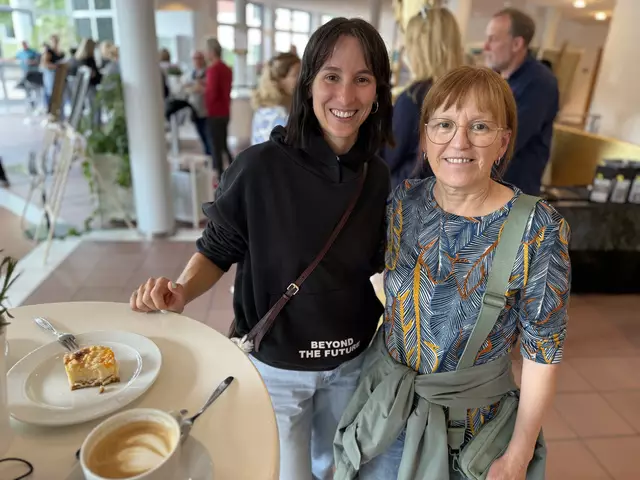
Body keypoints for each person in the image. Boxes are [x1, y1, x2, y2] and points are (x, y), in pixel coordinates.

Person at [130, 17, 393, 480]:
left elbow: (375, 263)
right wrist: (182, 291)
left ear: (377, 92)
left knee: (337, 469)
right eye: (331, 76)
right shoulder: (260, 167)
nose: (346, 96)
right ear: (308, 83)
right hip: (277, 367)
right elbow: (218, 248)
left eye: (362, 79)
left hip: (351, 362)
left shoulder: (376, 176)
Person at [334, 66, 570, 480]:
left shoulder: (538, 228)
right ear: (425, 138)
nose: (459, 142)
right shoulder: (406, 201)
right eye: (444, 124)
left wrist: (518, 456)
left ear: (502, 142)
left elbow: (542, 356)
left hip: (470, 428)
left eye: (479, 126)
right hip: (389, 411)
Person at [381, 5, 463, 189]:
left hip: (411, 196)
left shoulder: (413, 98)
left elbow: (388, 162)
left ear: (418, 48)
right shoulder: (468, 95)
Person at [484, 7, 559, 195]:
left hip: (513, 198)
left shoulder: (539, 83)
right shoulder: (499, 79)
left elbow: (504, 142)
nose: (486, 47)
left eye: (493, 39)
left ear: (517, 44)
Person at [250, 51, 300, 145]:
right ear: (280, 80)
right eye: (296, 74)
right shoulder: (279, 114)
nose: (302, 79)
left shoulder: (264, 109)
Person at [203, 37, 234, 178]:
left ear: (212, 51)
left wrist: (202, 91)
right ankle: (233, 170)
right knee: (223, 145)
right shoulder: (227, 69)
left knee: (215, 147)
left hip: (214, 112)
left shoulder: (213, 70)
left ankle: (220, 177)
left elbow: (212, 93)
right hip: (225, 111)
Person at [182, 50, 211, 155]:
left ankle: (210, 155)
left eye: (199, 58)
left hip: (207, 110)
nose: (197, 61)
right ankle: (207, 154)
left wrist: (198, 87)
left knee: (208, 134)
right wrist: (194, 87)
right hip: (195, 109)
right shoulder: (190, 73)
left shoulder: (208, 72)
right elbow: (185, 87)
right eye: (195, 59)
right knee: (200, 133)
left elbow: (207, 88)